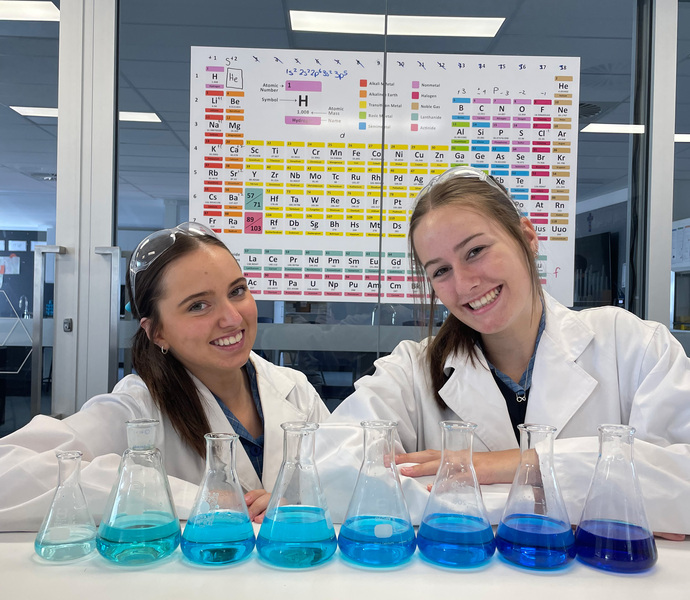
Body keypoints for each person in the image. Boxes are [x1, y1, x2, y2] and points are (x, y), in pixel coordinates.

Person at [317, 166, 690, 538]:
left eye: (475, 251)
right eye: (441, 271)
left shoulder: (633, 346)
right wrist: (600, 502)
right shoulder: (410, 370)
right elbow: (336, 471)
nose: (464, 283)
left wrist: (505, 466)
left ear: (527, 238)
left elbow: (682, 487)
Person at [0, 222, 329, 531]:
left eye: (237, 291)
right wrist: (204, 499)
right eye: (198, 305)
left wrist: (293, 509)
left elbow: (341, 483)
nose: (231, 318)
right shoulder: (135, 410)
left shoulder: (293, 389)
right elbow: (8, 472)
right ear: (157, 332)